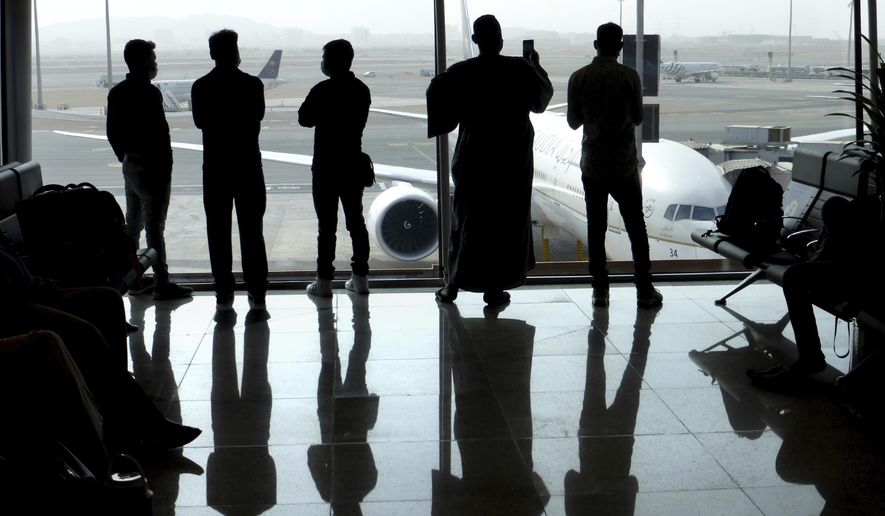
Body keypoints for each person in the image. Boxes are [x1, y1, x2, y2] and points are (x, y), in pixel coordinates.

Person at [0, 249, 202, 459]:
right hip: (12, 306)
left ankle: (119, 410)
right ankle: (141, 423)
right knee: (84, 334)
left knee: (108, 299)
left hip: (23, 291)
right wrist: (29, 286)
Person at [427, 14, 553, 306]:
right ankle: (495, 288)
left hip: (475, 155)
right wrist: (536, 66)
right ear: (501, 40)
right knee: (506, 224)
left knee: (468, 221)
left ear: (475, 40)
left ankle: (452, 285)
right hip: (512, 158)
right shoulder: (520, 69)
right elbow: (541, 101)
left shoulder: (462, 72)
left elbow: (437, 90)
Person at [567, 22, 663, 309]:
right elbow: (637, 118)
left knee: (596, 230)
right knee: (636, 228)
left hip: (593, 165)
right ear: (620, 47)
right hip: (623, 165)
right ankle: (644, 290)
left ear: (595, 45)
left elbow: (573, 122)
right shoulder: (629, 77)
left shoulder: (579, 78)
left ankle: (600, 292)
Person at [106, 38, 193, 300]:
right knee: (155, 227)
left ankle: (133, 278)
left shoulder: (117, 92)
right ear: (143, 62)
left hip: (131, 165)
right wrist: (164, 165)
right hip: (153, 167)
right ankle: (163, 283)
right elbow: (159, 133)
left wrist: (127, 157)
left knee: (133, 224)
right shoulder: (149, 92)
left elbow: (112, 132)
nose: (155, 64)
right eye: (152, 59)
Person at [191, 29, 269, 311]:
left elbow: (200, 122)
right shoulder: (253, 85)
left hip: (216, 168)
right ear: (236, 52)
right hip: (248, 166)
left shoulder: (200, 87)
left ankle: (223, 292)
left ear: (212, 54)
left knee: (218, 232)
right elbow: (257, 117)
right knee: (252, 232)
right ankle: (257, 292)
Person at [298, 39, 372, 297]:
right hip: (352, 163)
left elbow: (304, 119)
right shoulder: (362, 90)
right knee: (356, 223)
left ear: (330, 61)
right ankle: (360, 279)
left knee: (326, 227)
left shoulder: (321, 90)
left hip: (326, 168)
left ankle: (324, 282)